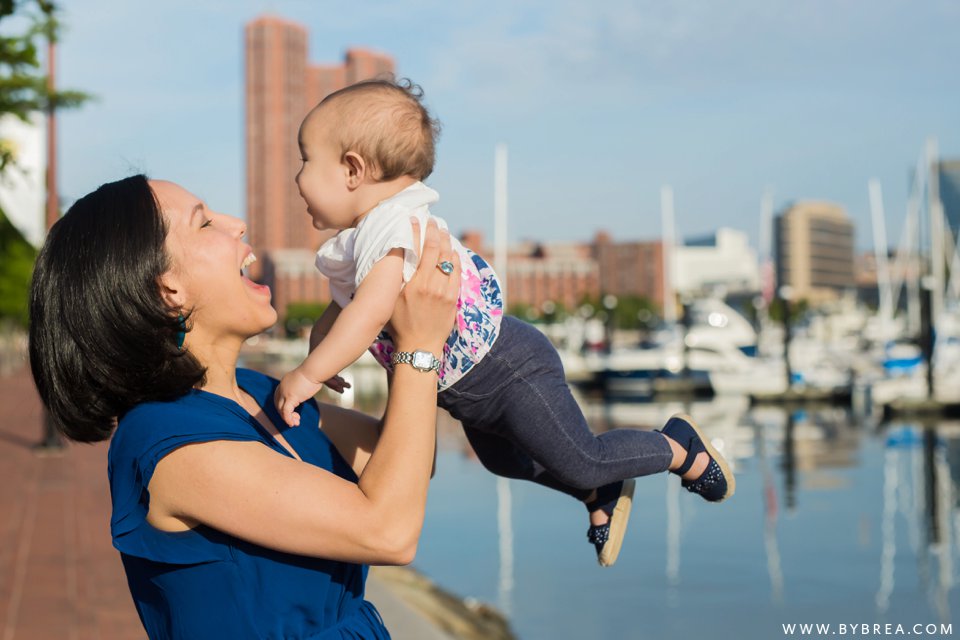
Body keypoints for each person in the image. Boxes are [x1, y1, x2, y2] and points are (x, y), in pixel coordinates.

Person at [273, 78, 736, 568]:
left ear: (351, 169)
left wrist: (308, 376)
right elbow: (338, 313)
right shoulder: (359, 243)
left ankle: (678, 448)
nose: (297, 176)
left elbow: (366, 314)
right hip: (467, 394)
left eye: (305, 160)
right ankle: (599, 492)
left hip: (510, 369)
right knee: (503, 460)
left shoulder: (392, 228)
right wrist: (319, 354)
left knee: (580, 456)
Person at [28, 175, 461, 638]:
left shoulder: (259, 393)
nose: (237, 224)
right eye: (205, 223)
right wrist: (420, 345)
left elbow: (403, 461)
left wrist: (390, 313)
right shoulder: (165, 440)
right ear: (167, 288)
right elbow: (389, 531)